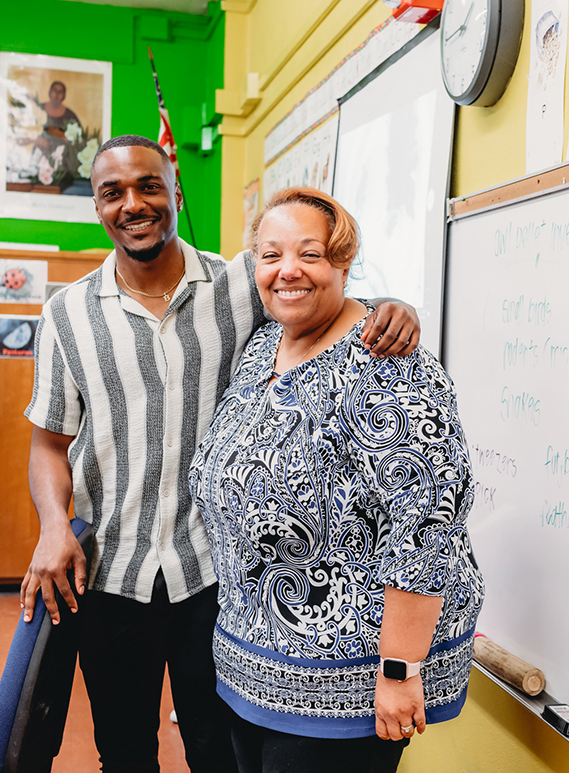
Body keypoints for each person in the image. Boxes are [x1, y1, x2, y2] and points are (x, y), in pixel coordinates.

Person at [21, 136, 420, 773]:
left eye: (148, 186)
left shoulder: (238, 284)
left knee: (218, 750)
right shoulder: (65, 313)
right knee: (123, 751)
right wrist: (50, 526)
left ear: (175, 190)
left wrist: (389, 307)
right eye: (113, 193)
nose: (134, 204)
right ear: (97, 207)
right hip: (110, 574)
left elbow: (315, 298)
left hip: (216, 577)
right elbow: (48, 440)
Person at [189, 188, 484, 773]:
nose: (287, 270)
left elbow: (427, 525)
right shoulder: (264, 346)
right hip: (255, 666)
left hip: (347, 682)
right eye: (270, 256)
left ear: (344, 263)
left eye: (310, 254)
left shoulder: (386, 362)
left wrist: (400, 671)